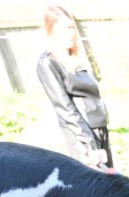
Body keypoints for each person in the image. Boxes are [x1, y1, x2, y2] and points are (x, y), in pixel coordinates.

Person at [35, 5, 112, 170]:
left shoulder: (75, 59)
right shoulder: (48, 62)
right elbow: (65, 108)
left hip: (100, 128)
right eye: (62, 29)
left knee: (112, 185)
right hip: (82, 136)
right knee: (95, 190)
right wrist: (88, 143)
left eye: (70, 27)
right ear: (51, 31)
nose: (69, 32)